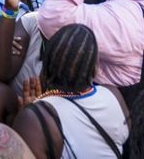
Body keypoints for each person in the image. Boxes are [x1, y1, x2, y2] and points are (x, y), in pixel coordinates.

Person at [12, 24, 129, 158]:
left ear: (45, 65)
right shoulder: (113, 95)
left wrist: (30, 116)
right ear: (95, 68)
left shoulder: (33, 118)